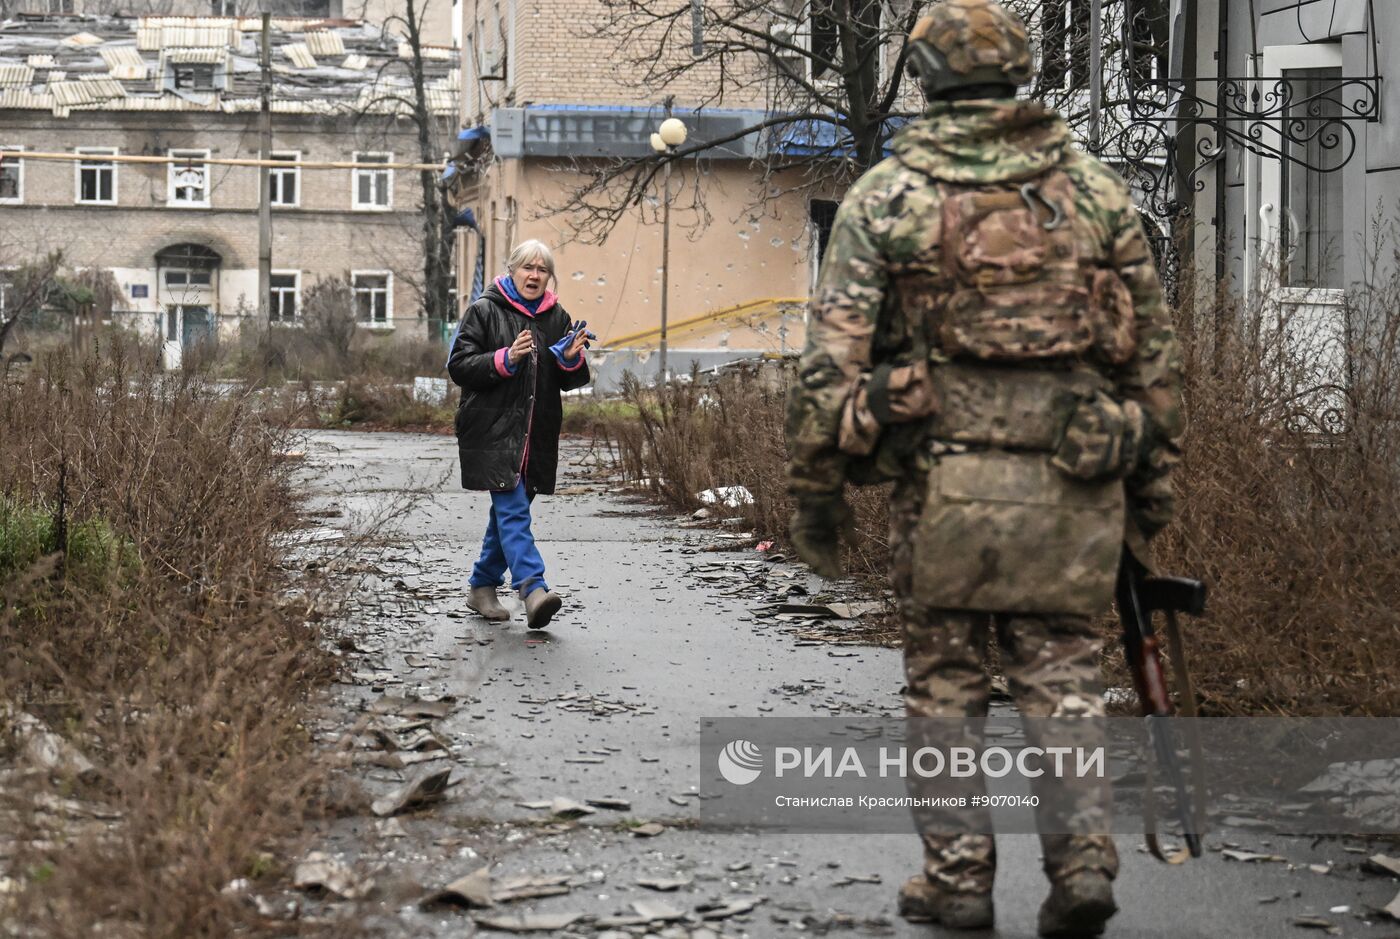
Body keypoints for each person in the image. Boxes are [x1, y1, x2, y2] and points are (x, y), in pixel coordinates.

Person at [784, 1, 1183, 935]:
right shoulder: (1095, 194)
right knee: (1064, 677)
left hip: (944, 488)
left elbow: (829, 365)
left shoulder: (887, 197)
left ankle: (958, 880)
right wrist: (1150, 494)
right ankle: (1082, 863)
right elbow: (1153, 363)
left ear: (923, 78)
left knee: (947, 685)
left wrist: (818, 496)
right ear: (1022, 72)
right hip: (1076, 484)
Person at [447, 239, 594, 630]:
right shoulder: (484, 310)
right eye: (527, 267)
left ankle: (481, 587)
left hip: (537, 435)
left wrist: (569, 359)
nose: (534, 275)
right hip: (493, 432)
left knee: (507, 516)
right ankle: (533, 590)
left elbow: (569, 379)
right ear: (511, 270)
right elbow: (459, 364)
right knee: (513, 513)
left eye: (542, 269)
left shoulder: (556, 316)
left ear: (549, 276)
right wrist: (505, 358)